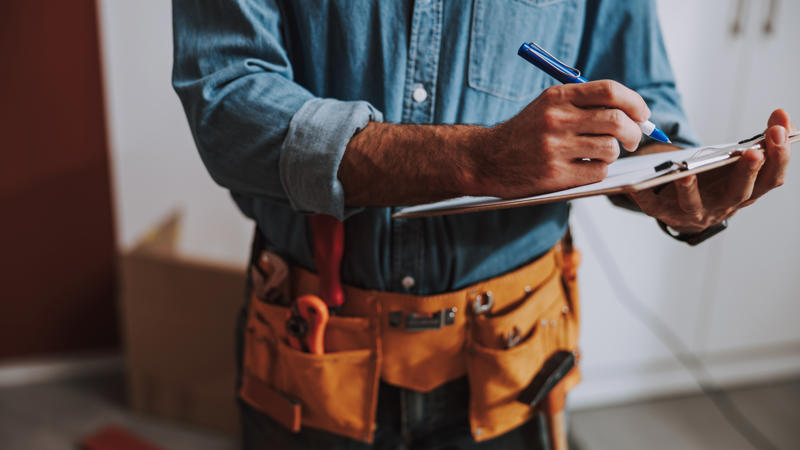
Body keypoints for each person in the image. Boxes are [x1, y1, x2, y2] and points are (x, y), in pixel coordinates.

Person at [171, 1, 794, 448]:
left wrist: (674, 181)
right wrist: (478, 158)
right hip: (313, 351)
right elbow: (226, 104)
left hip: (513, 364)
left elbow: (640, 113)